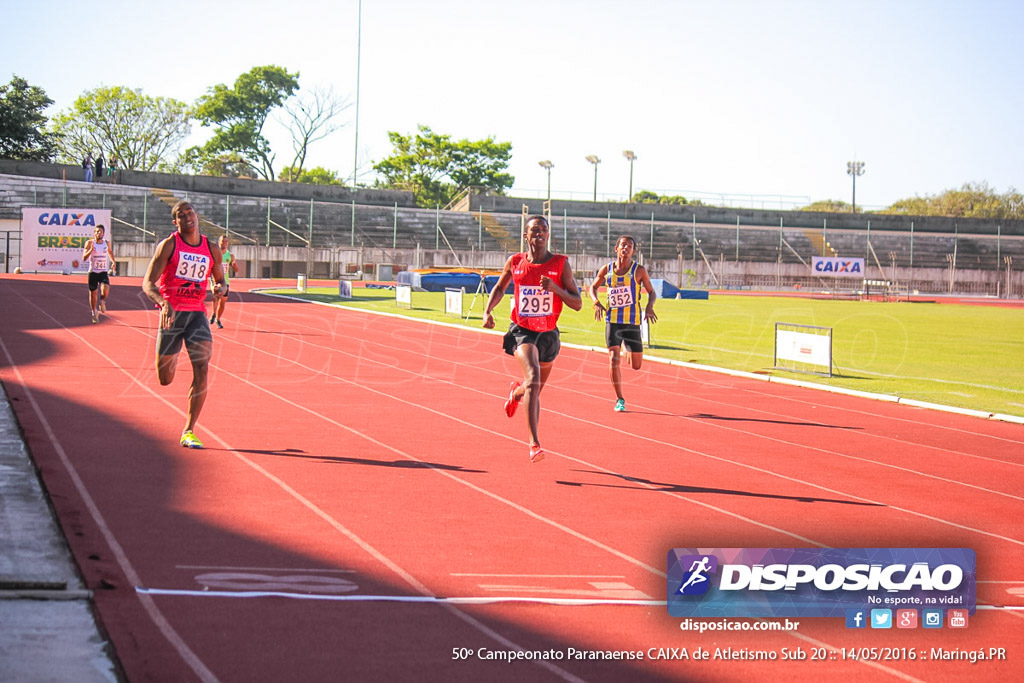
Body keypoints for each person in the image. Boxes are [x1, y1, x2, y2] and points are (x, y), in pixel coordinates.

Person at [482, 215, 582, 463]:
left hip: (548, 333)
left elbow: (578, 303)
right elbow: (500, 287)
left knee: (532, 390)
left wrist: (556, 289)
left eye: (544, 230)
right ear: (525, 235)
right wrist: (488, 310)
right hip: (522, 330)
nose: (539, 233)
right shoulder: (515, 261)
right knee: (534, 378)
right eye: (534, 230)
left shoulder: (560, 264)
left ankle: (515, 394)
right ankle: (534, 443)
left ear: (548, 235)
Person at [143, 201, 226, 449]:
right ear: (175, 222)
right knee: (165, 379)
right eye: (181, 215)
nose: (187, 217)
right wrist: (162, 302)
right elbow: (147, 283)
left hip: (197, 315)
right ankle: (173, 352)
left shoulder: (212, 249)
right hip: (172, 314)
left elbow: (221, 281)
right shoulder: (169, 245)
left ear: (196, 216)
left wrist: (220, 289)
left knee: (202, 367)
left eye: (190, 212)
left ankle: (189, 430)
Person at [588, 234, 658, 412]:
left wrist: (649, 307)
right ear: (616, 249)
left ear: (633, 251)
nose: (626, 249)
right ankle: (619, 398)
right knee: (613, 359)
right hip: (613, 321)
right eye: (623, 245)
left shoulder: (639, 271)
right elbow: (593, 287)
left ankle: (627, 346)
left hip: (632, 322)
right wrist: (595, 301)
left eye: (630, 246)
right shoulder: (607, 270)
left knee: (636, 366)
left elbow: (652, 292)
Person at [82, 224, 116, 323]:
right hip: (93, 272)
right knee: (93, 293)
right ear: (94, 233)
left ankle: (102, 301)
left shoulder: (107, 243)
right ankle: (94, 312)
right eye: (96, 231)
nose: (98, 233)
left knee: (105, 288)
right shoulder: (89, 243)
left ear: (103, 233)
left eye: (100, 231)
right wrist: (90, 250)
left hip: (103, 271)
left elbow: (110, 252)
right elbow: (84, 257)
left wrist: (113, 262)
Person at [209, 234, 236, 329]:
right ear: (218, 242)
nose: (224, 243)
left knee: (223, 301)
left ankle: (218, 319)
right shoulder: (214, 253)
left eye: (226, 242)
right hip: (215, 279)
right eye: (222, 241)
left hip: (226, 281)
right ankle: (213, 313)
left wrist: (234, 265)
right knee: (216, 294)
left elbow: (236, 270)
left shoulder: (230, 256)